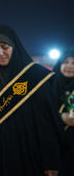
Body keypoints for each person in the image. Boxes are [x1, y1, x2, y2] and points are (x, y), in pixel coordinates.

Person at [0, 24, 60, 176]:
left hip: (27, 151)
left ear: (14, 47)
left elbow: (45, 124)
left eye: (5, 47)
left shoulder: (35, 77)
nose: (0, 53)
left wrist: (51, 161)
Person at [53, 46, 74, 176]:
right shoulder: (49, 86)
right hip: (53, 144)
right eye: (65, 62)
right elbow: (41, 113)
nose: (69, 66)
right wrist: (61, 117)